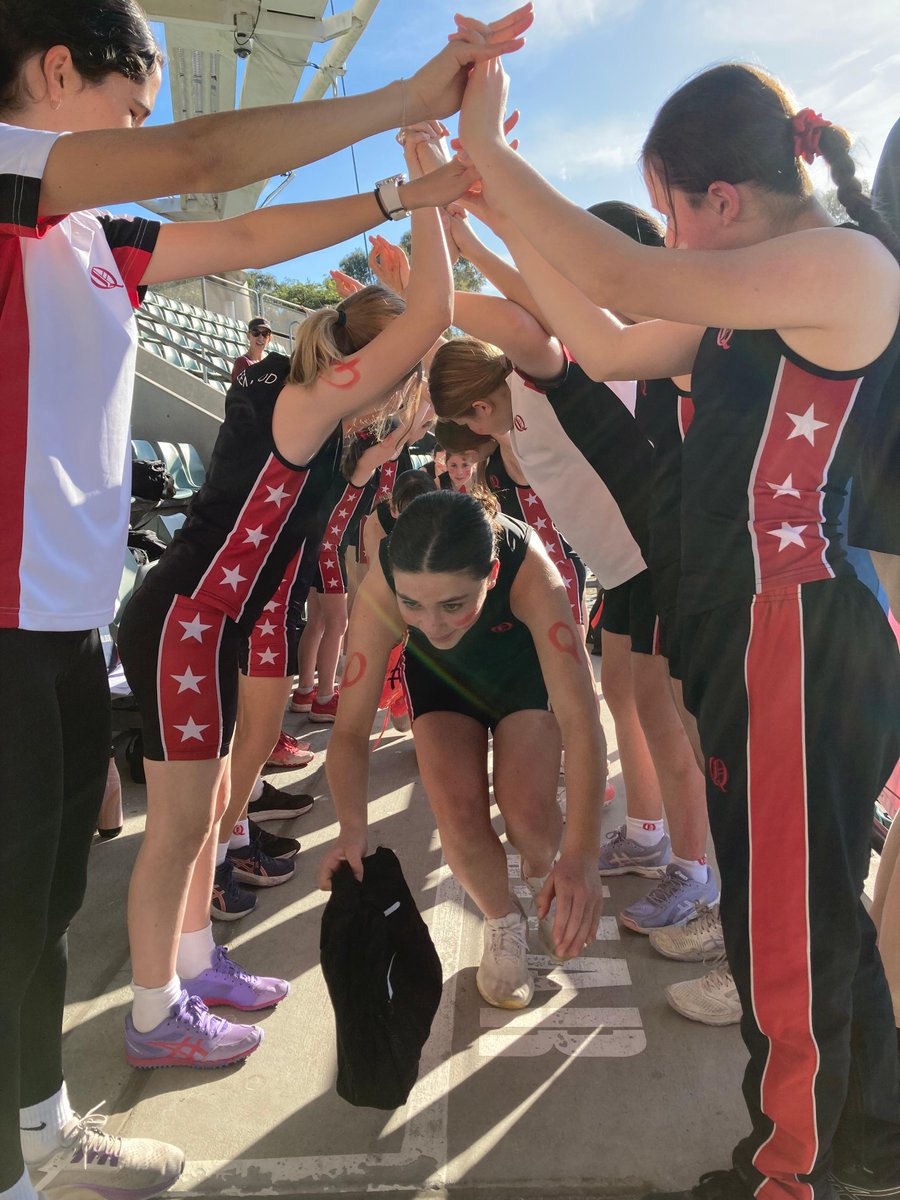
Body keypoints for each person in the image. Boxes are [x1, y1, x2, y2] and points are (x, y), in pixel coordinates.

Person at [0, 0, 534, 1191]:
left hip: (65, 620)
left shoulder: (91, 234)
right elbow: (207, 165)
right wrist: (415, 101)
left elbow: (244, 239)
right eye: (132, 103)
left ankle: (37, 1133)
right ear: (52, 69)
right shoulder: (15, 172)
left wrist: (409, 198)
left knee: (38, 914)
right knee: (34, 908)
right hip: (30, 622)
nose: (152, 131)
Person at [455, 52, 900, 1199]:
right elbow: (598, 342)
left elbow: (613, 272)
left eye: (670, 213)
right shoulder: (751, 298)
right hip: (754, 634)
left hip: (798, 631)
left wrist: (493, 154)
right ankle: (867, 1139)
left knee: (785, 942)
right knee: (800, 919)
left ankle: (788, 1175)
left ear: (723, 200)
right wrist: (476, 220)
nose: (667, 242)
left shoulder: (845, 267)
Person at [319, 489, 605, 1008]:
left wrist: (581, 857)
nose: (432, 624)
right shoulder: (383, 588)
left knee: (530, 817)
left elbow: (583, 722)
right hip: (442, 686)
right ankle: (503, 921)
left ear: (491, 576)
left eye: (454, 604)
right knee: (457, 815)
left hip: (520, 678)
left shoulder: (533, 574)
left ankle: (543, 876)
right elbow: (349, 732)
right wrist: (352, 829)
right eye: (414, 605)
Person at [231, 316, 273, 382]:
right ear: (248, 336)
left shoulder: (271, 363)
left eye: (265, 333)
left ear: (270, 338)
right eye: (256, 332)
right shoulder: (242, 362)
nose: (261, 337)